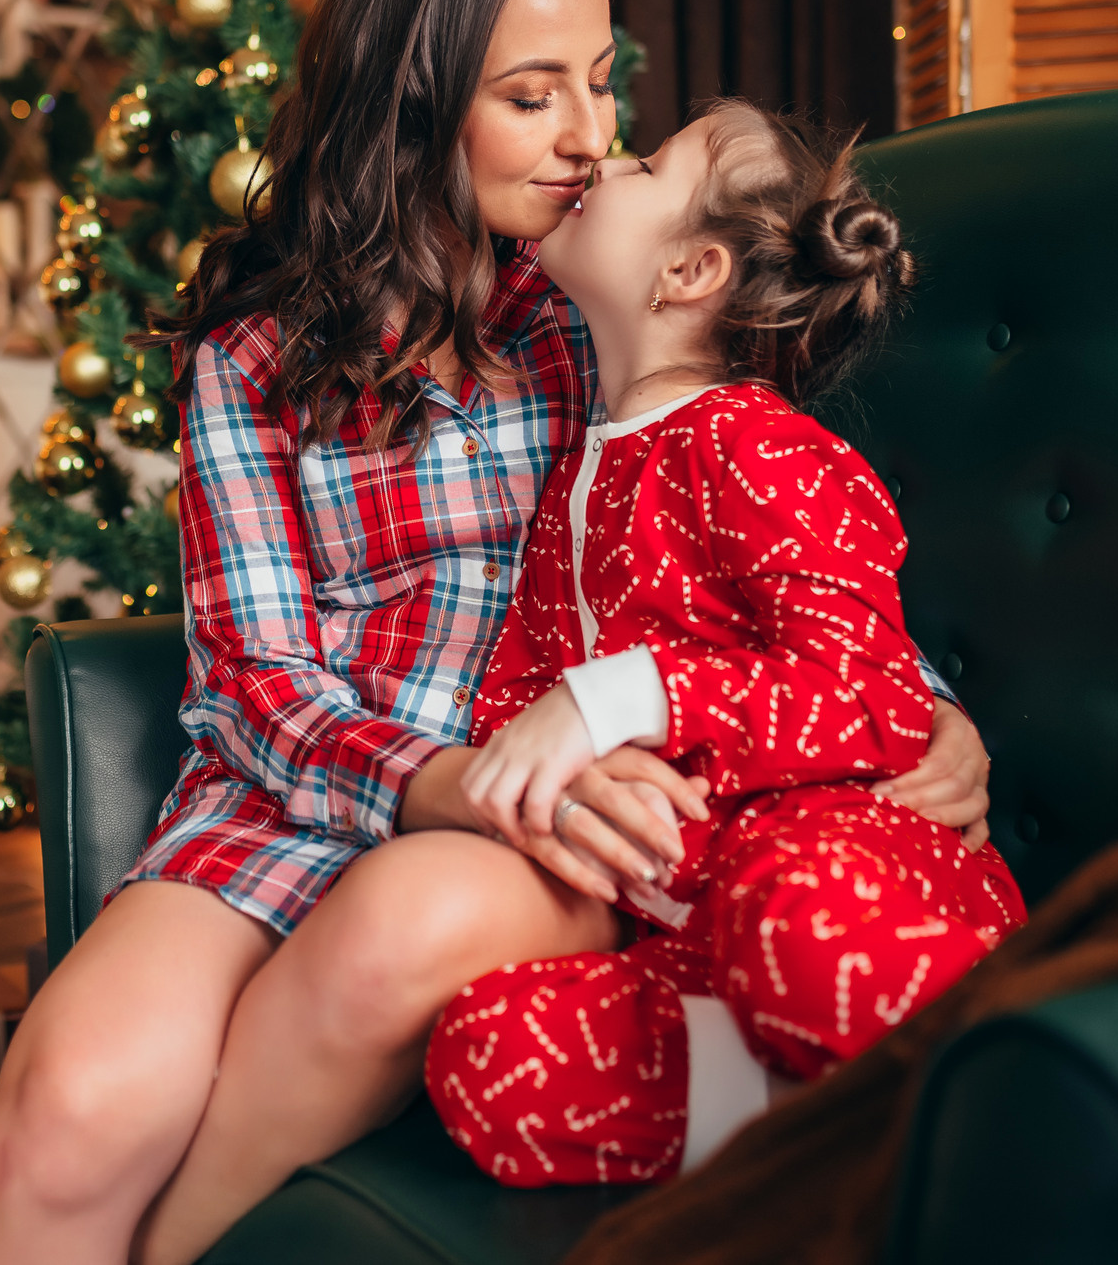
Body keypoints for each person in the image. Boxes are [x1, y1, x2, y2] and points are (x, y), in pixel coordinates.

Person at [0, 0, 994, 1265]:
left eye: (601, 86)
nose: (594, 143)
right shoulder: (256, 352)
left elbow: (780, 529)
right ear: (419, 105)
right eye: (534, 96)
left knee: (398, 929)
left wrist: (934, 708)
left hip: (548, 813)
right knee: (61, 1111)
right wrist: (425, 779)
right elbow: (252, 677)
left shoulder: (603, 301)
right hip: (304, 792)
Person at [425, 100, 1027, 1187]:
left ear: (691, 269)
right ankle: (858, 1129)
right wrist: (545, 760)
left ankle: (1045, 1072)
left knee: (785, 924)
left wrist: (623, 696)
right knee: (488, 1054)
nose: (598, 156)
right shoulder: (575, 481)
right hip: (689, 929)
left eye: (643, 162)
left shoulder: (755, 442)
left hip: (848, 873)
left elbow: (874, 698)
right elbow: (516, 705)